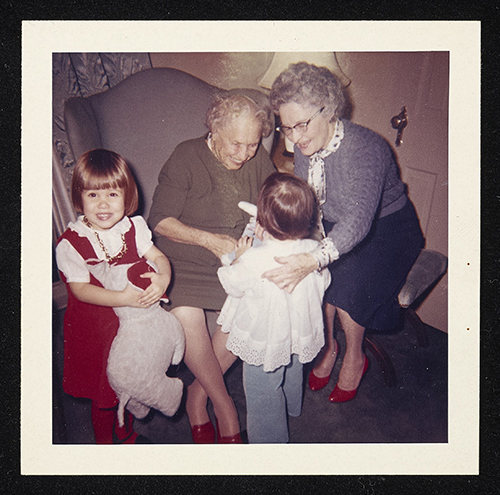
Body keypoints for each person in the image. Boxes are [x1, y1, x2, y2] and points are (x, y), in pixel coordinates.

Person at [265, 62, 425, 403]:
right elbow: (313, 202)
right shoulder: (306, 144)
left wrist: (313, 258)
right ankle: (329, 345)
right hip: (338, 224)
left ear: (329, 108)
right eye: (286, 128)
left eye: (301, 125)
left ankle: (355, 355)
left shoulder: (366, 149)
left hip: (389, 228)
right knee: (318, 278)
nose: (294, 138)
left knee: (345, 281)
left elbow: (358, 221)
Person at [149, 92, 276, 443]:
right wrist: (210, 240)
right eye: (236, 144)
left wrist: (266, 228)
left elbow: (271, 202)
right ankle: (225, 406)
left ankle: (197, 394)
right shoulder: (186, 156)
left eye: (252, 144)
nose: (244, 153)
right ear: (214, 129)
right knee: (187, 316)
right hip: (182, 260)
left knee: (256, 308)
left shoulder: (256, 156)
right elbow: (159, 221)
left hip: (234, 262)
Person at [56, 149, 172, 444]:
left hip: (133, 324)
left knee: (132, 377)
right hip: (97, 327)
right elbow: (81, 290)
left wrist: (163, 278)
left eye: (112, 194)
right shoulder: (72, 243)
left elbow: (158, 257)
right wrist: (123, 297)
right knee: (105, 391)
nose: (104, 204)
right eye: (93, 195)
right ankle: (105, 445)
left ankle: (126, 429)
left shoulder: (134, 228)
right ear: (79, 197)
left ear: (127, 196)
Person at [216, 172, 331, 443]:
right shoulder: (312, 251)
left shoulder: (254, 259)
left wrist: (237, 259)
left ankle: (269, 446)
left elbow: (232, 285)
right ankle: (292, 406)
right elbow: (324, 281)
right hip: (297, 329)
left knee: (262, 391)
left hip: (265, 338)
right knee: (292, 366)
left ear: (263, 222)